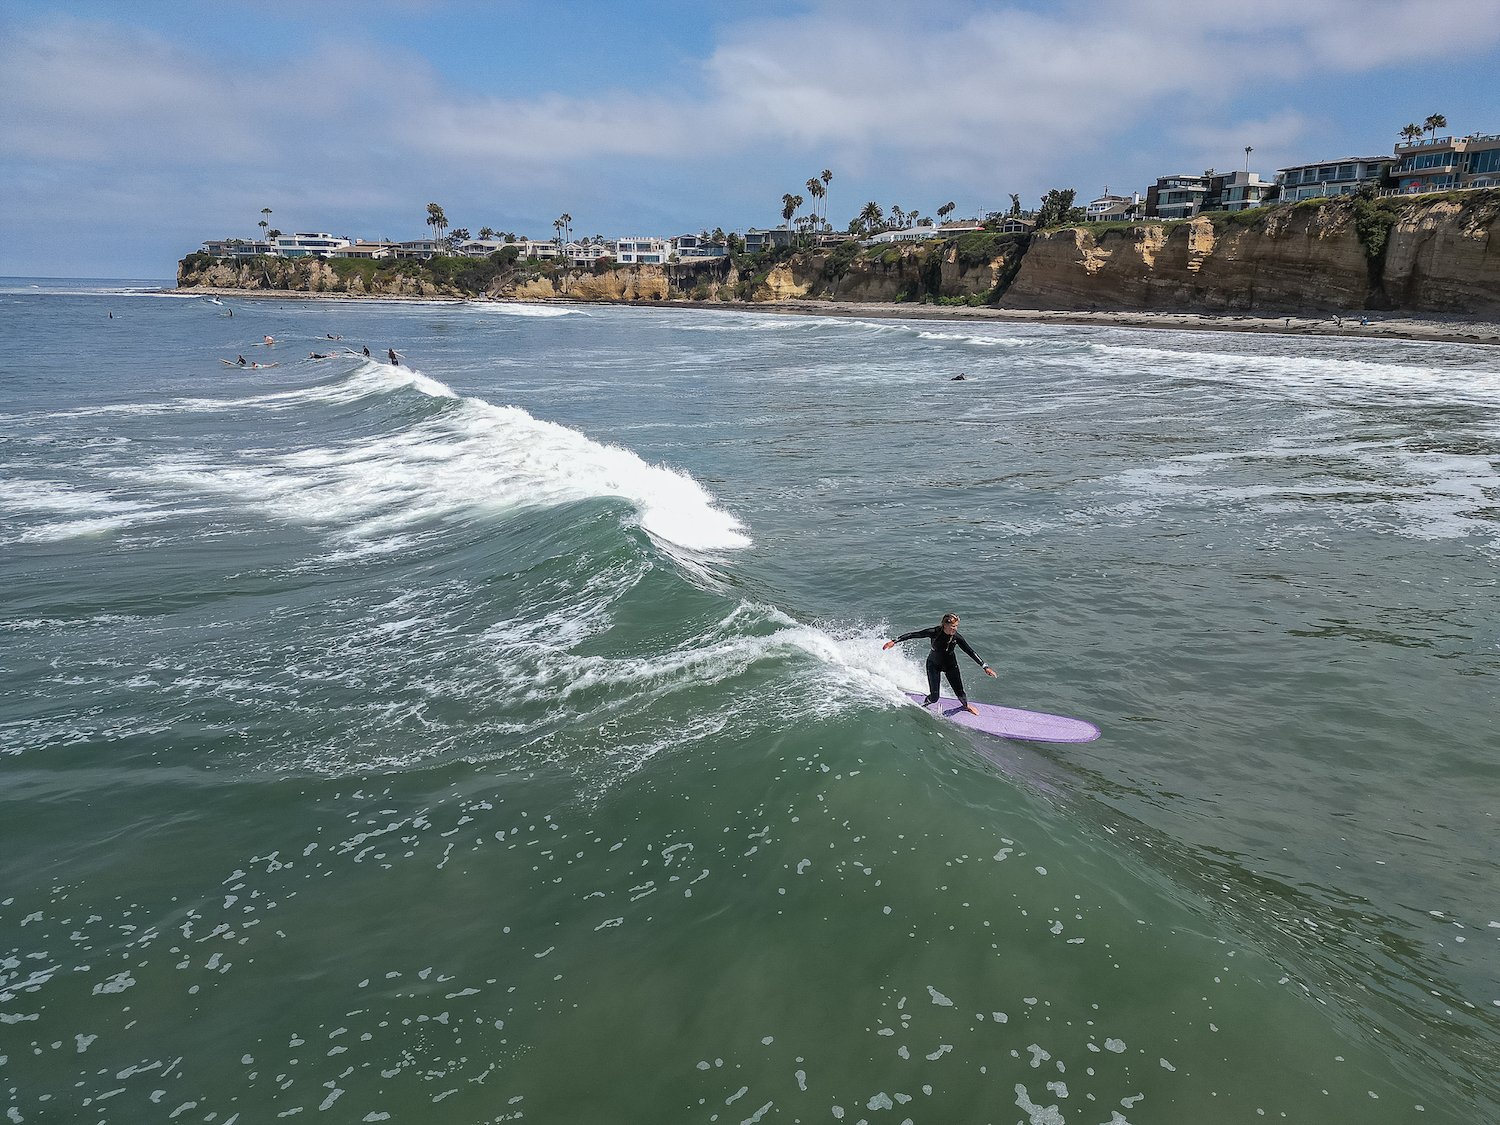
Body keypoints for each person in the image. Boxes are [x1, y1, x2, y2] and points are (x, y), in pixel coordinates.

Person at [882, 612, 996, 715]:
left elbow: (970, 651)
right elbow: (914, 634)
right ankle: (925, 704)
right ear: (944, 625)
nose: (955, 629)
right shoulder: (934, 632)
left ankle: (966, 706)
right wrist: (894, 641)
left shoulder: (957, 637)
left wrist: (985, 667)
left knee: (960, 692)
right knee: (935, 697)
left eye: (956, 626)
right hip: (933, 665)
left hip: (951, 666)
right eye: (952, 627)